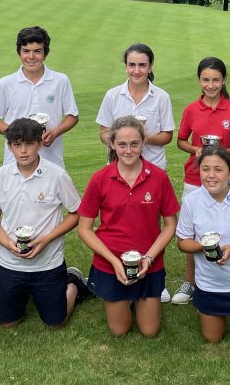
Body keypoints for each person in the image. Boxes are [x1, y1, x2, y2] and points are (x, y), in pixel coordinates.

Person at [77, 115, 179, 336]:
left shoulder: (159, 177)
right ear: (112, 144)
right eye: (122, 144)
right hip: (110, 263)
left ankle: (139, 297)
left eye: (134, 144)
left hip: (149, 262)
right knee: (119, 331)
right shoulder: (100, 179)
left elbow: (170, 224)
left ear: (143, 142)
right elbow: (84, 229)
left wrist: (149, 258)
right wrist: (114, 262)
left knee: (150, 331)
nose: (128, 150)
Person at [0, 118, 90, 328]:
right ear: (9, 146)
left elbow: (76, 213)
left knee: (55, 323)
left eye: (29, 144)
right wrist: (7, 243)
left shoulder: (57, 175)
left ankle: (74, 283)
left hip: (48, 262)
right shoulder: (1, 175)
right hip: (10, 262)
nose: (23, 151)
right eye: (17, 144)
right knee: (7, 322)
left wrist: (47, 239)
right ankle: (27, 292)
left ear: (40, 144)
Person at [95, 43, 176, 302]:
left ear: (150, 66)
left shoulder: (160, 96)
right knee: (121, 219)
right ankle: (120, 268)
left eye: (142, 65)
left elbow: (167, 136)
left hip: (153, 170)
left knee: (150, 221)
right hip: (119, 169)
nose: (137, 70)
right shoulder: (113, 95)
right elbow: (103, 132)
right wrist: (124, 141)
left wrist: (141, 137)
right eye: (132, 64)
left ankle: (152, 273)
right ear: (126, 66)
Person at [171, 56, 230, 305]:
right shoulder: (191, 110)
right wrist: (195, 150)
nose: (211, 85)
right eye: (206, 79)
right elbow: (181, 140)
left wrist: (223, 153)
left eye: (216, 80)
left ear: (224, 80)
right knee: (193, 231)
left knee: (227, 226)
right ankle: (191, 281)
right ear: (199, 80)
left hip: (226, 176)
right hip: (195, 177)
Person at [176, 147, 230, 345]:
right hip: (209, 284)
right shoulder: (191, 201)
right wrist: (202, 246)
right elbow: (182, 242)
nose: (211, 175)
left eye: (218, 169)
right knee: (212, 338)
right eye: (205, 169)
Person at [0, 26, 80, 167]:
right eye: (26, 51)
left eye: (37, 51)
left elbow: (73, 116)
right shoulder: (6, 83)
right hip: (14, 163)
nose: (31, 57)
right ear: (19, 53)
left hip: (51, 162)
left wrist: (55, 132)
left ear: (45, 53)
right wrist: (17, 135)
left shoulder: (60, 80)